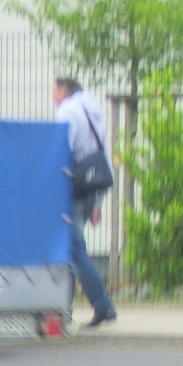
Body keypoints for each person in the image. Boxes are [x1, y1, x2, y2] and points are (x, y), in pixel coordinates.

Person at [53, 77, 117, 328]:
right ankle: (63, 311)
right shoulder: (93, 109)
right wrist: (99, 201)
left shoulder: (67, 110)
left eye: (54, 90)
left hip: (74, 186)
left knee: (73, 249)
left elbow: (61, 147)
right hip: (92, 187)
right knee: (69, 250)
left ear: (63, 90)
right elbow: (101, 153)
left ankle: (103, 305)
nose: (53, 96)